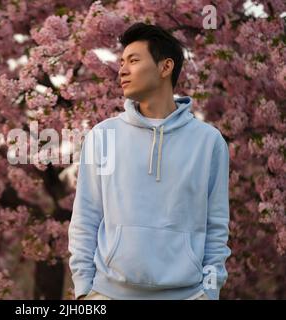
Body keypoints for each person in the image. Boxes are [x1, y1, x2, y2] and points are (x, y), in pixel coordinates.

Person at [68, 22, 231, 300]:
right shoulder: (103, 136)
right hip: (108, 294)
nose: (122, 70)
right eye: (121, 62)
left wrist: (210, 291)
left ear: (165, 67)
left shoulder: (208, 142)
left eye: (133, 60)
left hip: (187, 295)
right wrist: (84, 290)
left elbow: (216, 226)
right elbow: (85, 218)